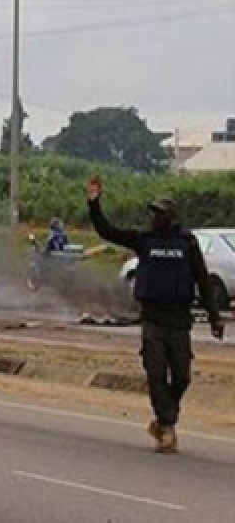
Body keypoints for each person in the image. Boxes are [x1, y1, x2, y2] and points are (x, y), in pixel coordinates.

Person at [87, 176, 225, 453]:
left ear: (171, 216)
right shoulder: (144, 240)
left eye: (161, 213)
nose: (156, 217)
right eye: (154, 213)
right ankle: (167, 427)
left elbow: (202, 279)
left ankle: (164, 419)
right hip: (153, 319)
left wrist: (214, 317)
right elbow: (108, 232)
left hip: (179, 320)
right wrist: (94, 204)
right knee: (156, 373)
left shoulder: (187, 243)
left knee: (183, 377)